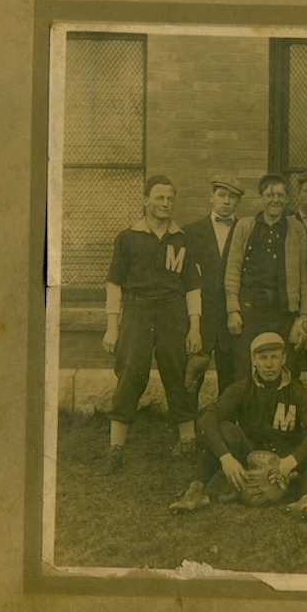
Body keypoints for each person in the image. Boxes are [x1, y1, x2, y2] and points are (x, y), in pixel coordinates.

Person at [100, 175, 202, 474]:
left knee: (178, 371)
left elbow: (193, 287)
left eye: (170, 198)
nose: (165, 203)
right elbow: (114, 284)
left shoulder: (182, 240)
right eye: (159, 197)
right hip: (138, 310)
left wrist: (194, 327)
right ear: (145, 200)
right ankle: (116, 448)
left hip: (172, 311)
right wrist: (112, 327)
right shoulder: (128, 238)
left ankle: (188, 442)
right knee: (131, 372)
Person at [168, 332, 307, 518]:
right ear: (253, 360)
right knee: (224, 429)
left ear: (284, 359)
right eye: (263, 358)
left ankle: (306, 500)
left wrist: (290, 462)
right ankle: (196, 490)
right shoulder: (241, 388)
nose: (269, 364)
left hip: (285, 454)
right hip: (249, 454)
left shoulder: (297, 391)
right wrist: (226, 458)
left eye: (274, 357)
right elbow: (207, 419)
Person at [224, 174, 307, 382]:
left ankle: (283, 404)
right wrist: (233, 310)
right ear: (261, 198)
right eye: (270, 195)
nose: (276, 200)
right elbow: (233, 270)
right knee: (245, 365)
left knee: (287, 365)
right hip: (250, 309)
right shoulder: (245, 226)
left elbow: (305, 276)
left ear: (287, 199)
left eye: (281, 195)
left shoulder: (296, 229)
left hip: (283, 310)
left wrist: (304, 316)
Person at [182, 174, 245, 395]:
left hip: (232, 316)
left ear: (238, 202)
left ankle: (225, 416)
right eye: (221, 195)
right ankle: (187, 416)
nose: (226, 201)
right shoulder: (191, 232)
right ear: (211, 197)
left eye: (232, 197)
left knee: (230, 375)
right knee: (192, 374)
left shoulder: (246, 231)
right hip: (201, 316)